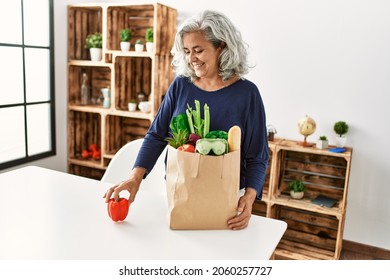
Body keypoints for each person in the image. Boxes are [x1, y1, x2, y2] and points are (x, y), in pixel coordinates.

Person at [104, 10, 269, 230]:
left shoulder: (247, 94)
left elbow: (257, 155)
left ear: (221, 46)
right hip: (180, 188)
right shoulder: (181, 86)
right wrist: (135, 177)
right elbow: (157, 134)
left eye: (199, 50)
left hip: (228, 198)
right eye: (187, 51)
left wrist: (249, 197)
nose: (192, 59)